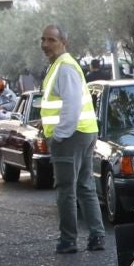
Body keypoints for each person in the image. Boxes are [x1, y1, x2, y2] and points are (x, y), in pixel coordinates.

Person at [38, 24, 105, 254]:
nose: (45, 45)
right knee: (85, 186)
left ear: (63, 42)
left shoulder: (64, 68)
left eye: (51, 40)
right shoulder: (62, 66)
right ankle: (97, 236)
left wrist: (58, 135)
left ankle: (68, 240)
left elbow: (72, 105)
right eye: (43, 40)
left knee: (66, 188)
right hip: (84, 132)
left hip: (71, 136)